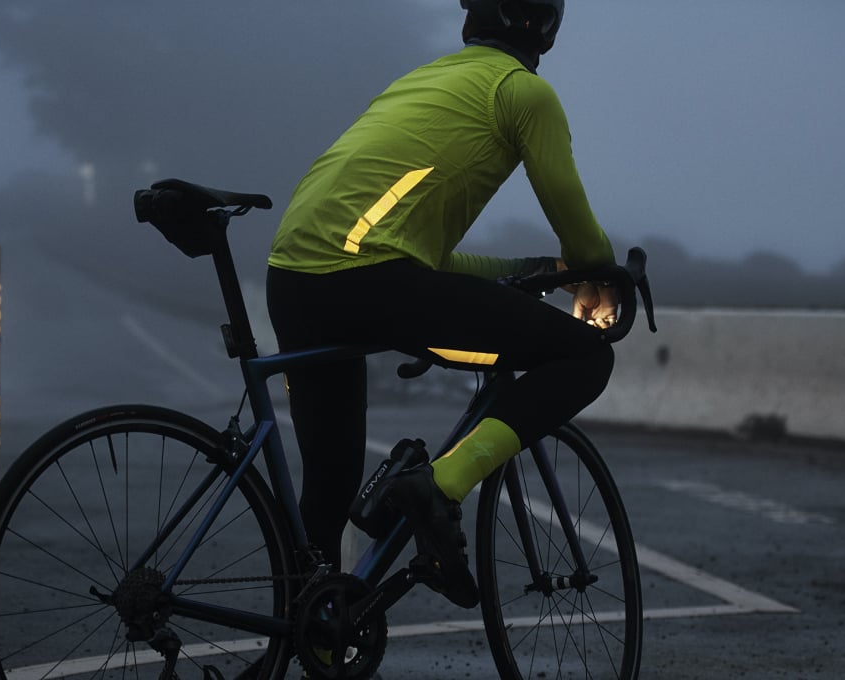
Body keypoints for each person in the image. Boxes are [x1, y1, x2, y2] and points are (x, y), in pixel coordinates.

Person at [265, 0, 618, 609]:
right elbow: (584, 242)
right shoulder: (522, 93)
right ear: (548, 28)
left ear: (470, 19)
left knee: (329, 485)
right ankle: (438, 487)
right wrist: (604, 277)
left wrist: (527, 271)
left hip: (295, 275)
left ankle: (314, 639)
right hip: (368, 280)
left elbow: (418, 256)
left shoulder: (422, 82)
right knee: (586, 357)